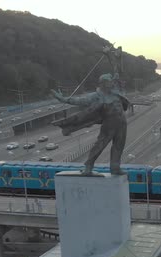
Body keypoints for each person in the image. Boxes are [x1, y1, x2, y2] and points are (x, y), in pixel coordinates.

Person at [51, 46, 129, 175]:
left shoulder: (116, 90)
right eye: (109, 81)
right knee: (100, 146)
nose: (112, 82)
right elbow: (79, 100)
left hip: (122, 122)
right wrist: (63, 99)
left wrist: (110, 55)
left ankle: (115, 167)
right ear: (103, 83)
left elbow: (117, 70)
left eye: (112, 81)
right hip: (109, 124)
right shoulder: (97, 96)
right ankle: (88, 166)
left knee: (119, 146)